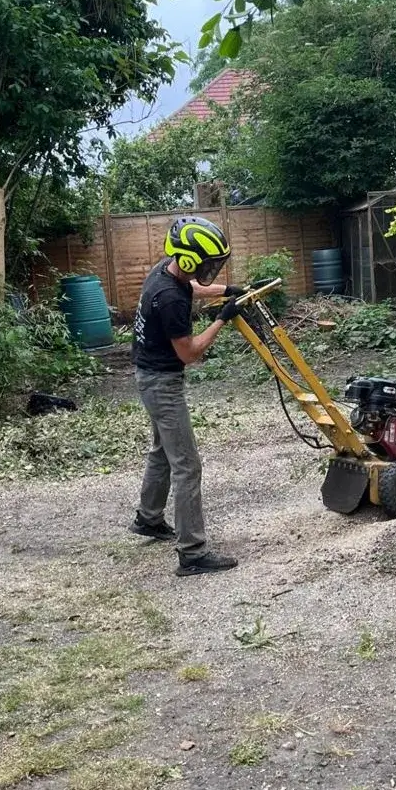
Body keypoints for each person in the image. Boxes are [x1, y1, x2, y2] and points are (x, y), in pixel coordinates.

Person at [129, 215, 245, 577]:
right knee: (187, 465)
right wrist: (223, 319)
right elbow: (190, 353)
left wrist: (226, 290)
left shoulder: (166, 270)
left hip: (148, 374)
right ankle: (192, 552)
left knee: (163, 451)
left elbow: (191, 288)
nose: (209, 271)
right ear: (190, 260)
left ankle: (148, 519)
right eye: (208, 265)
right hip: (162, 383)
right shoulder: (169, 299)